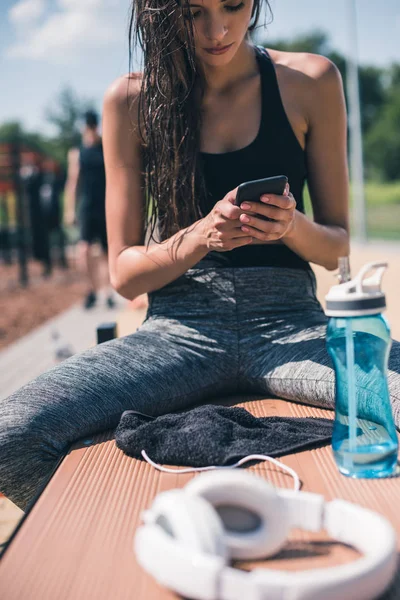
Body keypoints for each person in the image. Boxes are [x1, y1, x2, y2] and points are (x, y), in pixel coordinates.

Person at [1, 0, 400, 512]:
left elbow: (337, 245)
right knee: (10, 434)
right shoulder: (130, 100)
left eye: (233, 5)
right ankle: (129, 537)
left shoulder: (311, 80)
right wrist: (198, 237)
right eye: (193, 13)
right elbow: (123, 274)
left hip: (290, 327)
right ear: (160, 13)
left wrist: (291, 225)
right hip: (178, 331)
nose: (217, 29)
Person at [64, 109, 115, 309]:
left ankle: (108, 292)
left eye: (94, 125)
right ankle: (91, 291)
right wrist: (69, 210)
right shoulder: (77, 152)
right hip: (86, 207)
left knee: (105, 252)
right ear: (85, 127)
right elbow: (72, 182)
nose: (91, 129)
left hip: (105, 206)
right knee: (83, 251)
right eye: (89, 126)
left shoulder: (105, 147)